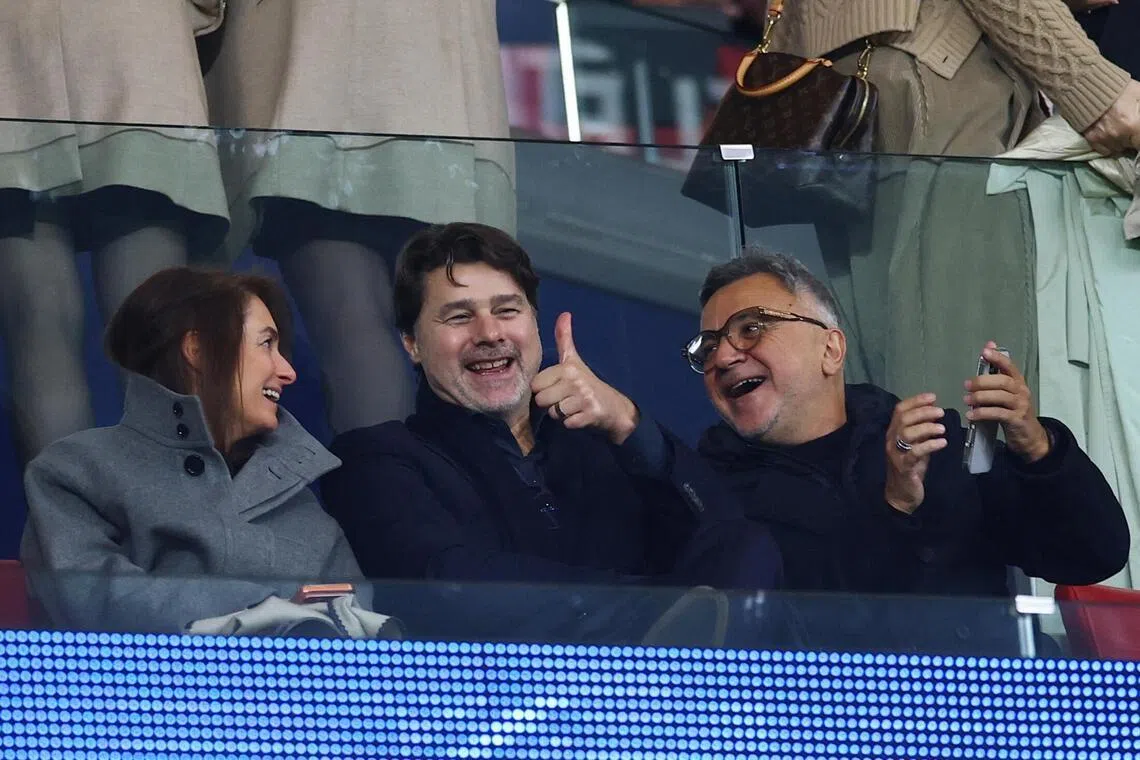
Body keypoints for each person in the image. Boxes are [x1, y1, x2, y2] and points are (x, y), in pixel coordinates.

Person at [321, 222, 781, 641]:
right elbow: (452, 588)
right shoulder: (375, 460)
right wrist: (660, 607)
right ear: (412, 344)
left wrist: (628, 423)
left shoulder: (608, 445)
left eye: (507, 310)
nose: (489, 333)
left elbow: (730, 544)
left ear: (534, 324)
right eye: (459, 317)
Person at [725, 0, 1140, 426]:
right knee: (959, 405)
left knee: (896, 402)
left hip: (862, 80)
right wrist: (1097, 89)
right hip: (936, 69)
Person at [689, 250, 1130, 651]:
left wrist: (1036, 446)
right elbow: (824, 634)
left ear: (831, 348)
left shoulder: (935, 441)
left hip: (1005, 715)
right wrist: (896, 504)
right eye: (707, 348)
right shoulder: (707, 497)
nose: (723, 357)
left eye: (750, 328)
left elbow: (1092, 554)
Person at [205, 0, 514, 437]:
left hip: (314, 84)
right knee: (469, 343)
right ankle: (447, 498)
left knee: (353, 328)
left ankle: (388, 497)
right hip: (448, 103)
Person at [20, 268, 361, 633]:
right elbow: (99, 604)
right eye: (266, 344)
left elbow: (362, 631)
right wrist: (270, 613)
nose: (288, 371)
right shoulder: (73, 473)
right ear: (197, 351)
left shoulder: (305, 509)